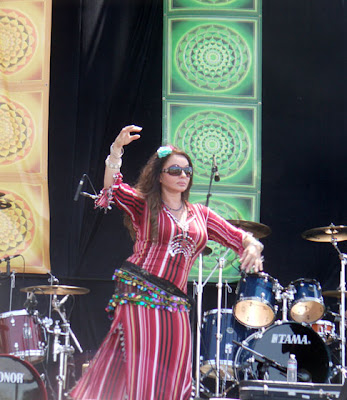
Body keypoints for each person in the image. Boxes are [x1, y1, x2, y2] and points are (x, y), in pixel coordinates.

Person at [70, 125, 264, 400]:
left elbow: (238, 236)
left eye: (187, 171)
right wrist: (116, 150)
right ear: (160, 176)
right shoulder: (145, 204)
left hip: (176, 300)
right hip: (141, 290)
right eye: (174, 170)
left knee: (177, 373)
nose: (182, 175)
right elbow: (112, 187)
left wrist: (253, 245)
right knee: (146, 369)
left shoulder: (201, 214)